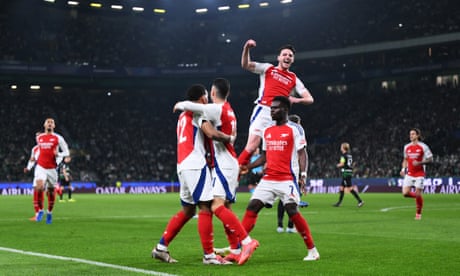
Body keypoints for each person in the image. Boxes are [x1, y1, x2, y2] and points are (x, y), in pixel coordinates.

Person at [173, 78, 259, 265]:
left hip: (225, 163)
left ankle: (246, 242)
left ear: (212, 93)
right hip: (224, 163)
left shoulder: (217, 108)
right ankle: (236, 249)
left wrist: (180, 104)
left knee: (216, 206)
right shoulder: (226, 109)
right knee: (224, 207)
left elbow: (199, 115)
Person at [153, 84, 235, 265]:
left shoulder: (182, 116)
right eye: (206, 96)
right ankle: (209, 256)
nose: (208, 99)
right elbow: (211, 133)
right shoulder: (198, 113)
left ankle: (161, 248)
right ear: (202, 98)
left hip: (182, 165)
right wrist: (230, 138)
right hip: (195, 164)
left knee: (189, 210)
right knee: (206, 207)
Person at [240, 96, 320, 261]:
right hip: (269, 178)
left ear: (285, 110)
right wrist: (247, 167)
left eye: (275, 108)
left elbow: (302, 153)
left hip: (287, 179)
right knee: (252, 206)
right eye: (271, 108)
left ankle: (312, 251)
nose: (272, 111)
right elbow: (264, 156)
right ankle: (236, 247)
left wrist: (303, 175)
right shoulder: (267, 130)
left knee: (291, 210)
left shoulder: (294, 129)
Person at [237, 39, 314, 167]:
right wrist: (246, 48)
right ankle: (234, 176)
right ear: (278, 57)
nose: (287, 57)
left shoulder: (294, 78)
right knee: (252, 145)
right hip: (264, 110)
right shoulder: (268, 68)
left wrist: (296, 99)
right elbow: (245, 65)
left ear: (293, 60)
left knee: (271, 154)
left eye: (290, 55)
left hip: (279, 118)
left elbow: (310, 99)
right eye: (284, 54)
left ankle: (262, 179)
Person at [276, 114, 309, 234]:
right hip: (292, 170)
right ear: (298, 122)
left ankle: (279, 225)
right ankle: (290, 226)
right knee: (293, 199)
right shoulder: (298, 129)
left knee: (282, 198)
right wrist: (303, 174)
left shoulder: (279, 128)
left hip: (279, 168)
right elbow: (302, 153)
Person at [33, 118, 70, 224]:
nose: (49, 124)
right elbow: (40, 151)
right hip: (41, 167)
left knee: (50, 192)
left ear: (54, 126)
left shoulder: (58, 138)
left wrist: (59, 154)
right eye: (48, 122)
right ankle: (40, 211)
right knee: (39, 187)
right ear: (44, 125)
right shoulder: (39, 138)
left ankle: (49, 212)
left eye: (51, 122)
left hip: (52, 169)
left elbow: (66, 151)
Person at [400, 128, 433, 220]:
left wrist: (419, 163)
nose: (411, 136)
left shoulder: (423, 146)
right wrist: (403, 169)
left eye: (413, 134)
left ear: (418, 135)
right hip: (409, 173)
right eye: (410, 134)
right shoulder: (406, 147)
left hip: (419, 174)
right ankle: (418, 198)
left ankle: (418, 213)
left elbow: (430, 159)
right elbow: (405, 159)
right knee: (405, 193)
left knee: (418, 193)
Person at [333, 142, 364, 207]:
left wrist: (337, 165)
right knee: (341, 188)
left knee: (350, 188)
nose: (340, 148)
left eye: (341, 147)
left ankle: (360, 201)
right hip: (348, 172)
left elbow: (342, 164)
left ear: (343, 148)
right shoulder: (349, 155)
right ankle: (339, 202)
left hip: (346, 173)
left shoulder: (343, 156)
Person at [24, 132, 41, 221]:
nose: (37, 138)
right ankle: (38, 213)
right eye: (36, 137)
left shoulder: (47, 147)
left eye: (39, 136)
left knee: (38, 192)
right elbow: (32, 160)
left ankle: (38, 214)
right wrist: (28, 168)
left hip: (45, 171)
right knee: (37, 192)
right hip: (38, 171)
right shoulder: (34, 149)